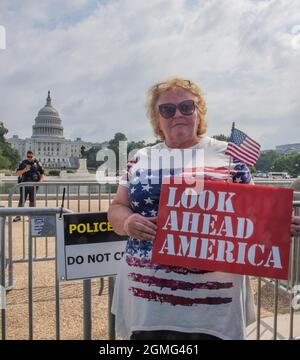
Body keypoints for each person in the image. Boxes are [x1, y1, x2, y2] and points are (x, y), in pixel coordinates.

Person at [107, 77, 293, 340]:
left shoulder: (229, 155)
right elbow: (117, 207)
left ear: (199, 111)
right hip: (146, 302)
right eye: (167, 109)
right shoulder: (139, 157)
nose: (178, 114)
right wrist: (127, 222)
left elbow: (256, 213)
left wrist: (278, 224)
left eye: (186, 106)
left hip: (215, 306)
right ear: (157, 118)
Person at [13, 150, 45, 222]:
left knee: (32, 201)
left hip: (34, 184)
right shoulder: (23, 163)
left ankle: (32, 216)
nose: (29, 158)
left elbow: (42, 174)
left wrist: (40, 182)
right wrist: (24, 170)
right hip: (24, 184)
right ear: (26, 156)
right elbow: (17, 173)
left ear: (33, 156)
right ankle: (18, 216)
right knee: (22, 200)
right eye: (28, 156)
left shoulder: (38, 163)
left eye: (31, 156)